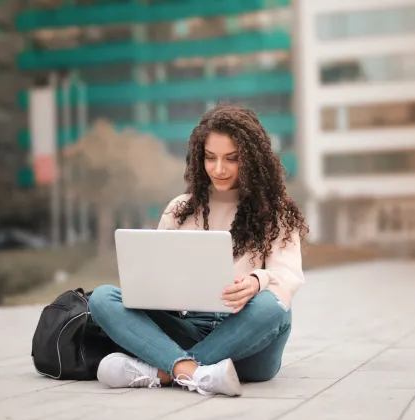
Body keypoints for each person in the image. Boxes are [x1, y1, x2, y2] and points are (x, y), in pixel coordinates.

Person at [89, 104, 309, 397]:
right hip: (189, 326)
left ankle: (165, 372)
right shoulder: (180, 209)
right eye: (210, 158)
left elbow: (288, 275)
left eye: (231, 159)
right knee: (102, 297)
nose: (218, 169)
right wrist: (151, 288)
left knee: (275, 308)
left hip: (248, 340)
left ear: (253, 160)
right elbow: (154, 272)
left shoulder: (276, 212)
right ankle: (197, 374)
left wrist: (258, 281)